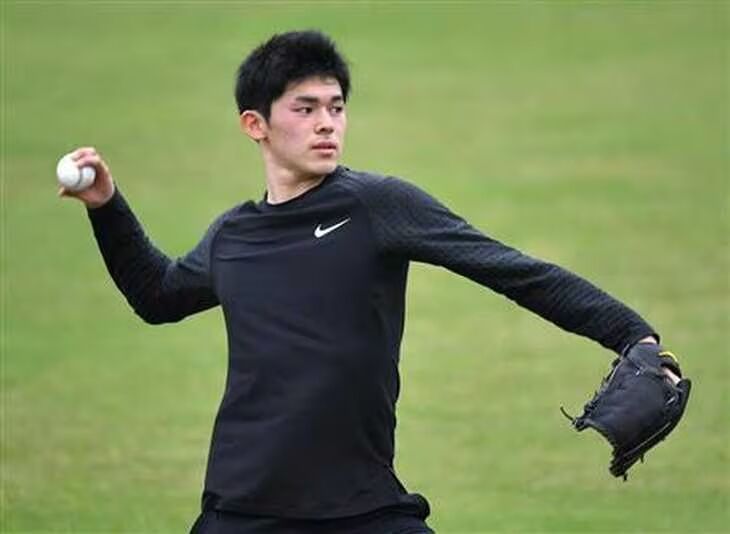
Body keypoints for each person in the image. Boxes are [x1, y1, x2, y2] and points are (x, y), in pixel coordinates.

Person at [60, 30, 677, 533]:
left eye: (336, 107)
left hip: (363, 508)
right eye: (305, 109)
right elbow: (157, 295)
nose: (326, 123)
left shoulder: (377, 206)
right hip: (242, 510)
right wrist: (106, 206)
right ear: (255, 124)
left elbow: (511, 269)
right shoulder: (233, 236)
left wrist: (632, 334)